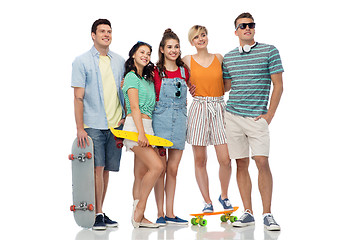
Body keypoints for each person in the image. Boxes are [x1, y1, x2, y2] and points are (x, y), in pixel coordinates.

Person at [222, 12, 284, 231]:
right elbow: (225, 87)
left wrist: (269, 115)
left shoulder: (270, 51)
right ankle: (248, 212)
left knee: (262, 162)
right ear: (236, 31)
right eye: (242, 26)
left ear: (254, 28)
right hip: (233, 116)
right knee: (241, 163)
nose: (247, 28)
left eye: (250, 25)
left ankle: (267, 213)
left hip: (257, 117)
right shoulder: (228, 57)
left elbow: (278, 85)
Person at [71, 19, 125, 230]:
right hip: (93, 123)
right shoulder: (81, 61)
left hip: (115, 124)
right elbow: (78, 98)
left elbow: (124, 90)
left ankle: (99, 210)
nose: (106, 34)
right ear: (92, 35)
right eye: (102, 31)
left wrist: (125, 115)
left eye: (109, 31)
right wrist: (80, 127)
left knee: (105, 170)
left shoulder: (119, 61)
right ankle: (97, 214)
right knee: (97, 168)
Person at [182, 25, 233, 213]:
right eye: (196, 37)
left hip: (219, 107)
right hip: (198, 108)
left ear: (207, 37)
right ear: (191, 42)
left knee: (226, 159)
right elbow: (174, 73)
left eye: (203, 35)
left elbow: (226, 85)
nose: (201, 39)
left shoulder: (219, 58)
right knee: (200, 159)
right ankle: (207, 201)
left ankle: (224, 195)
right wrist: (188, 85)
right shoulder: (186, 59)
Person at [152, 29, 193, 226]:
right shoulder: (154, 71)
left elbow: (194, 90)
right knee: (160, 169)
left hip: (179, 121)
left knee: (173, 169)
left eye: (176, 47)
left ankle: (170, 212)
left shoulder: (185, 70)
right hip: (159, 121)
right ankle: (159, 213)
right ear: (162, 49)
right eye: (169, 47)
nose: (174, 50)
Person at [122, 41, 163, 228]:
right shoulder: (131, 77)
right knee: (157, 166)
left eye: (148, 53)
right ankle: (139, 209)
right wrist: (141, 133)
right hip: (136, 128)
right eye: (142, 52)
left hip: (148, 126)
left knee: (140, 173)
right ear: (133, 55)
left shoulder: (146, 79)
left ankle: (140, 218)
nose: (145, 56)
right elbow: (134, 107)